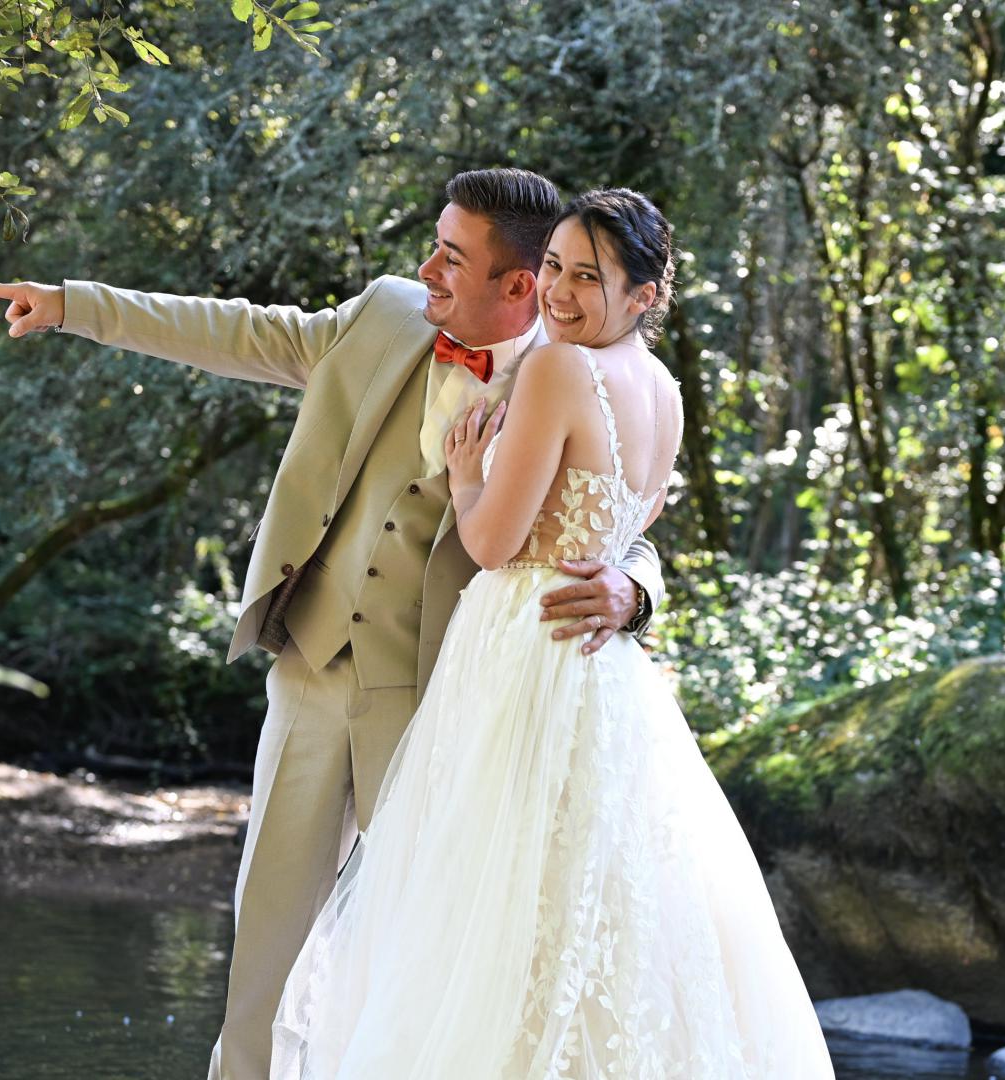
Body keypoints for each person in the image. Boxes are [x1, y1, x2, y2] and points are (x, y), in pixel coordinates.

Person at [0, 168, 667, 1079]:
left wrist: (635, 593)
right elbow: (239, 331)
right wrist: (74, 305)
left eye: (452, 258)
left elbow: (620, 521)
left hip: (439, 706)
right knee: (266, 951)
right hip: (311, 670)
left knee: (417, 963)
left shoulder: (571, 373)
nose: (427, 269)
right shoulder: (384, 316)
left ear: (518, 285)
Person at [269, 189, 835, 1078]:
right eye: (557, 269)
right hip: (603, 672)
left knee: (487, 896)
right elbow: (631, 524)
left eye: (588, 278)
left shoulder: (559, 371)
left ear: (645, 294)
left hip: (523, 646)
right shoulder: (668, 394)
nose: (560, 295)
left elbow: (494, 543)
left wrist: (465, 477)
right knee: (584, 897)